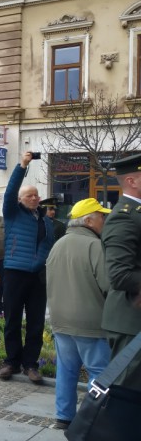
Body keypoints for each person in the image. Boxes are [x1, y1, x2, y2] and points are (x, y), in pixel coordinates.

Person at [46, 197, 112, 431]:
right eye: (101, 216)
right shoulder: (95, 246)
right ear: (89, 220)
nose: (104, 220)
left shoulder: (59, 244)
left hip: (61, 320)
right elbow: (107, 284)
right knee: (99, 373)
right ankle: (92, 419)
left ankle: (63, 417)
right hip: (90, 321)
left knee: (66, 370)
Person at [0, 151, 55, 384]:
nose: (34, 198)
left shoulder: (46, 221)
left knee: (36, 322)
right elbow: (11, 190)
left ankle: (30, 364)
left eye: (36, 195)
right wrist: (23, 165)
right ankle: (11, 361)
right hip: (14, 272)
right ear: (21, 199)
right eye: (29, 195)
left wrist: (43, 263)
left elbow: (49, 246)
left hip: (37, 276)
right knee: (12, 319)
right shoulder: (12, 213)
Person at [102, 153, 141, 390]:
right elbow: (119, 274)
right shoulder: (124, 218)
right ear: (132, 181)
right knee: (128, 398)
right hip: (130, 322)